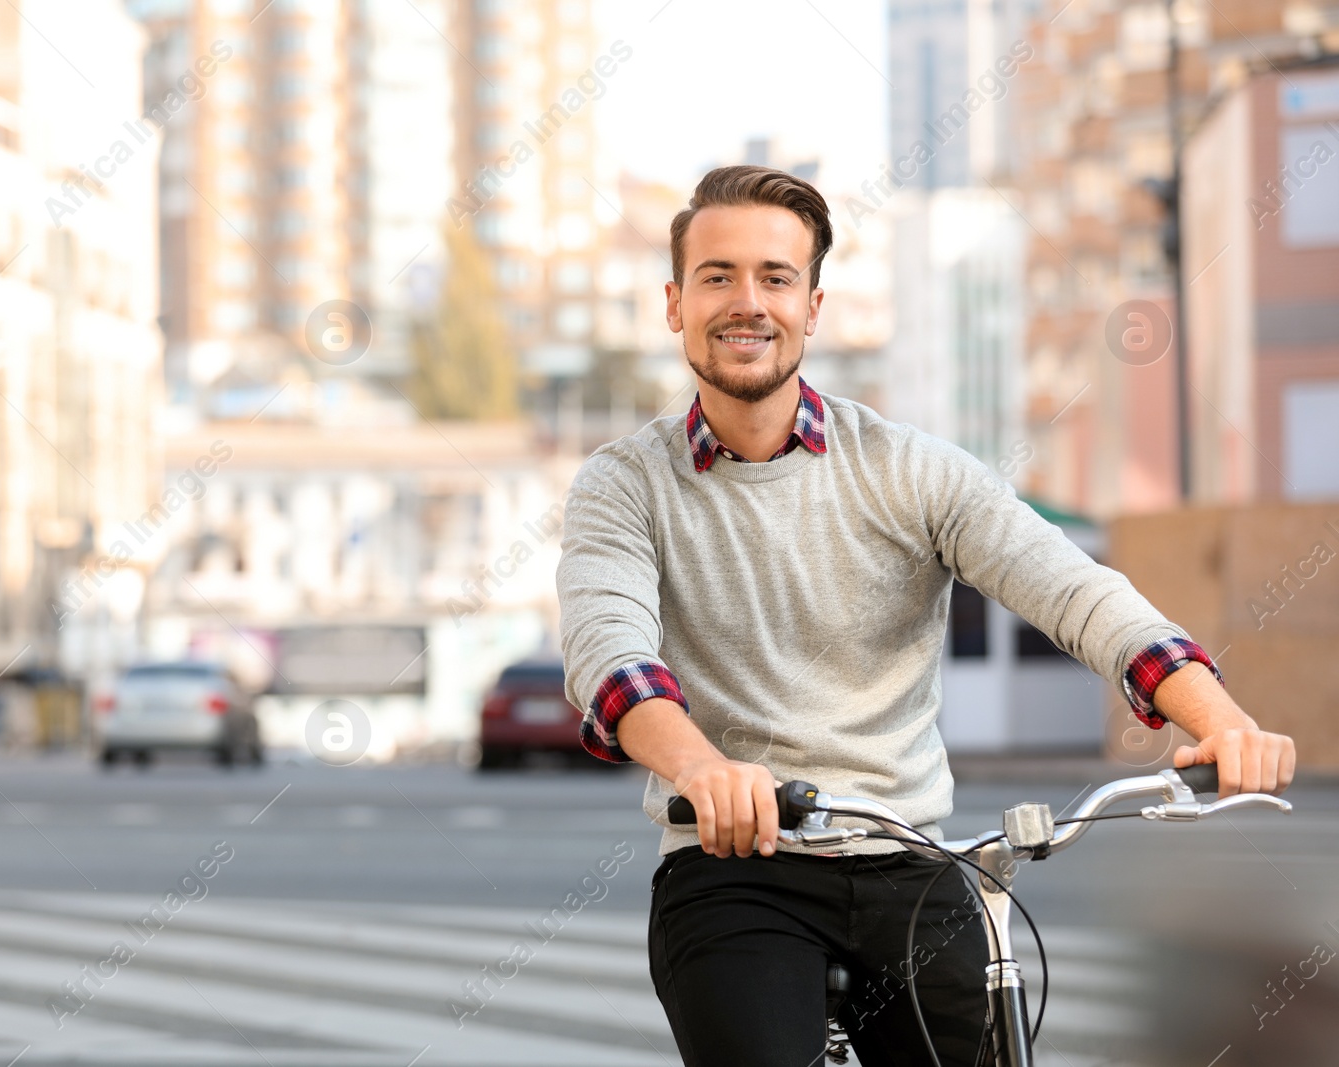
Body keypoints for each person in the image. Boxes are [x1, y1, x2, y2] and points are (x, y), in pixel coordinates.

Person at [555, 164, 1297, 1066]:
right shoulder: (625, 484)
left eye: (776, 277)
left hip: (911, 858)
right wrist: (705, 768)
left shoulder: (910, 468)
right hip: (734, 866)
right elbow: (611, 652)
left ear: (813, 306)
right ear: (675, 303)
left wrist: (1218, 718)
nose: (747, 302)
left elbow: (1073, 589)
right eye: (718, 276)